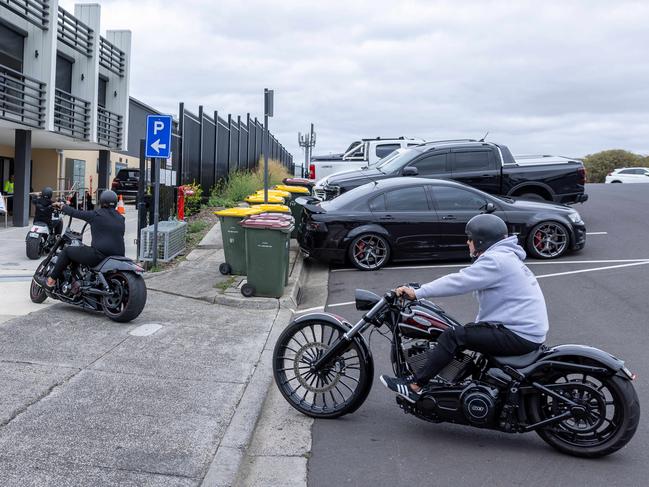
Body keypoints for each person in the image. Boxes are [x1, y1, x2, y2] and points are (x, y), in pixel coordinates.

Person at [380, 213, 548, 403]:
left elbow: (459, 281)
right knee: (464, 331)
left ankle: (415, 386)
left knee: (453, 336)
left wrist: (419, 292)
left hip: (518, 334)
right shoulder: (506, 257)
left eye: (470, 239)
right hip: (523, 331)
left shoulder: (496, 261)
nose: (468, 243)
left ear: (482, 240)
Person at [35, 190, 125, 289]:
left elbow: (75, 213)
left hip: (99, 255)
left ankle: (50, 281)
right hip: (118, 255)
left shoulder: (96, 215)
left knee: (67, 251)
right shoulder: (121, 218)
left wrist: (62, 206)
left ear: (102, 201)